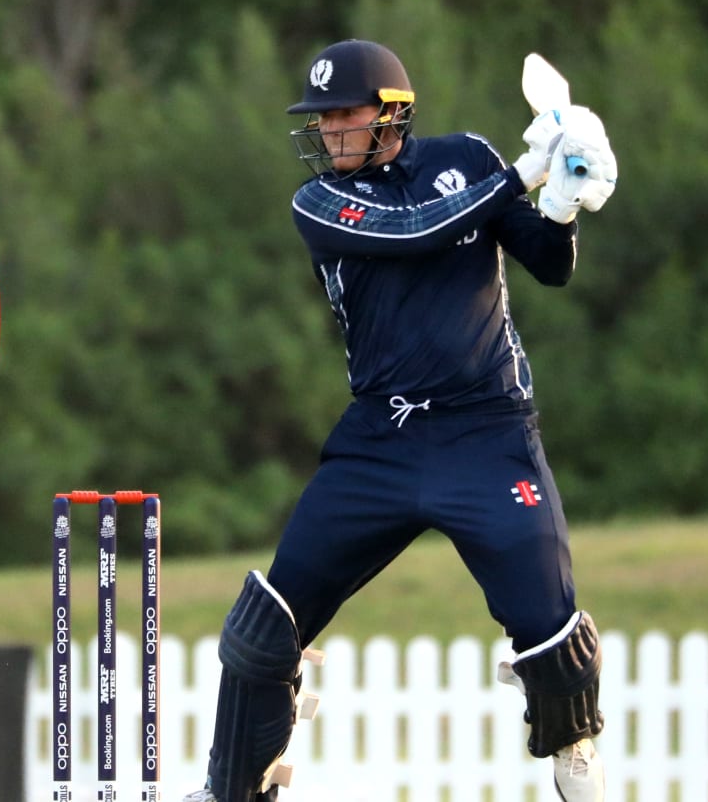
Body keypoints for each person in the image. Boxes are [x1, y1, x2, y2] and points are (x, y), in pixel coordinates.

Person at [181, 39, 618, 802]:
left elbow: (549, 264)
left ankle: (573, 753)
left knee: (551, 632)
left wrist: (562, 199)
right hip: (381, 440)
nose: (327, 133)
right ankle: (232, 788)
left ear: (391, 115)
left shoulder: (467, 157)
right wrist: (524, 170)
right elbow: (415, 231)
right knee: (264, 628)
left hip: (487, 430)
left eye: (343, 115)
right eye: (320, 119)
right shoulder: (318, 202)